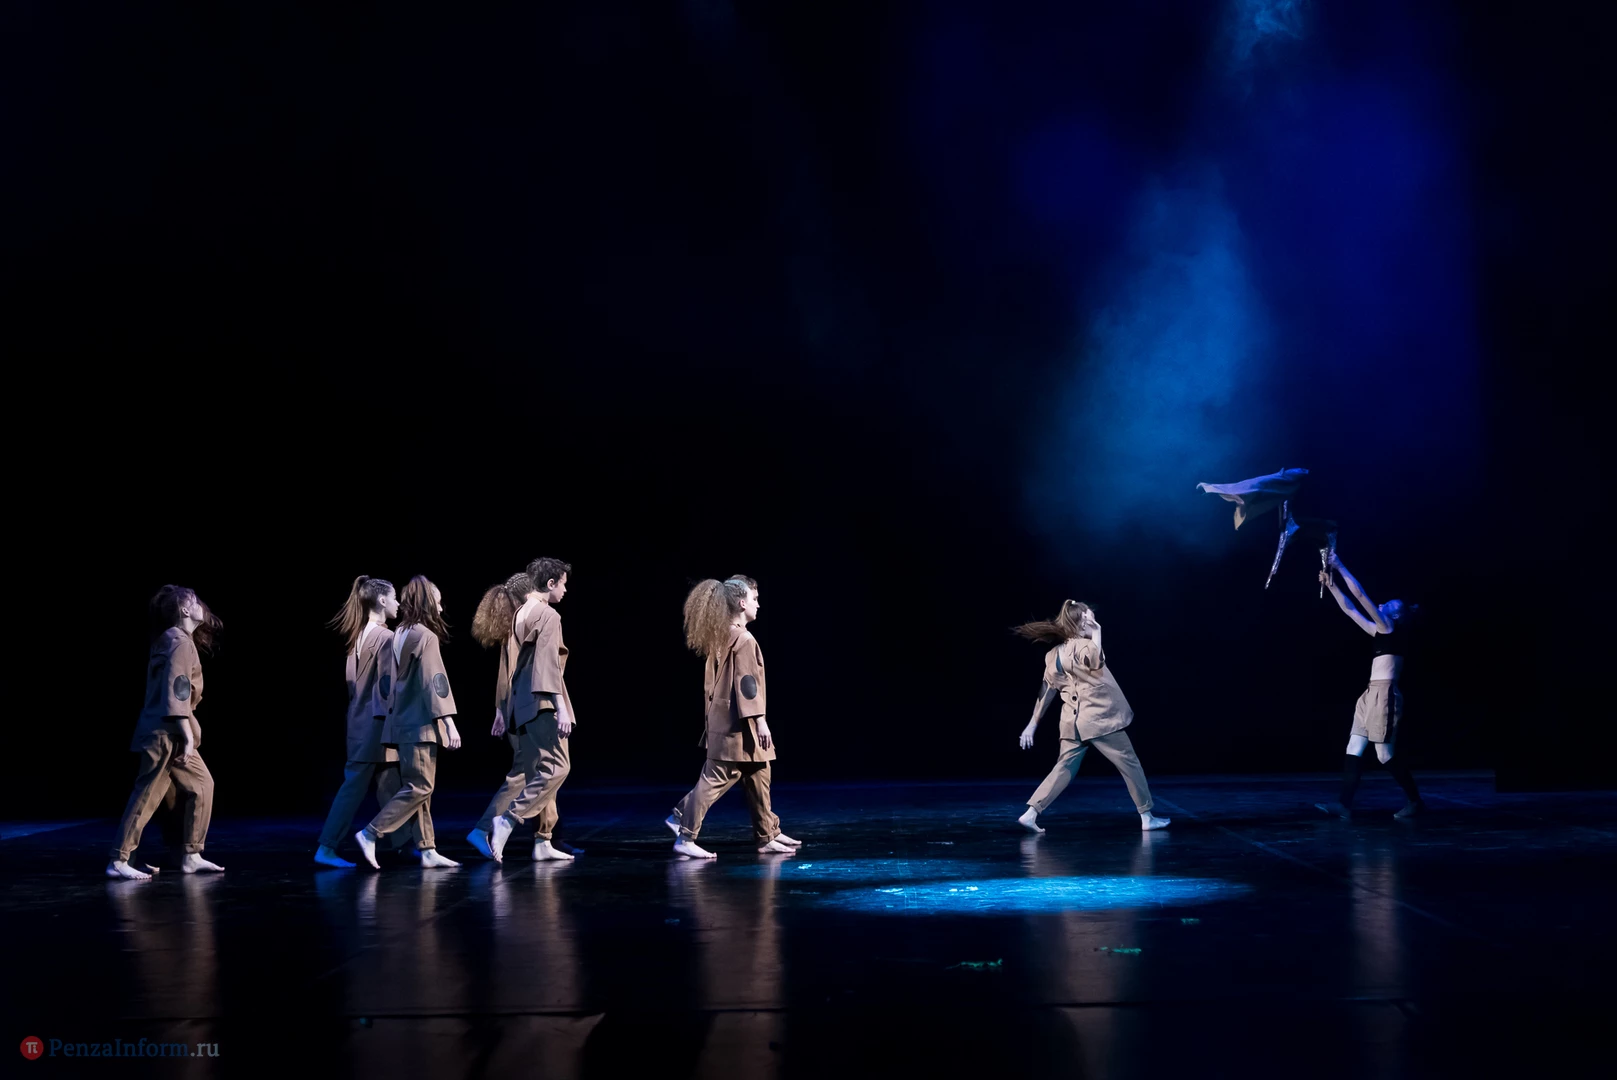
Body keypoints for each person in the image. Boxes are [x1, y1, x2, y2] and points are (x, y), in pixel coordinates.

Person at [665, 576, 801, 858]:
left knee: (759, 771)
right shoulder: (744, 639)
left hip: (727, 718)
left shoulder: (723, 635)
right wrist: (760, 721)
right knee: (716, 777)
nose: (758, 605)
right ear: (741, 603)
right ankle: (684, 831)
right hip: (737, 723)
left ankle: (767, 834)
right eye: (754, 599)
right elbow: (747, 683)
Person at [1014, 600, 1170, 834]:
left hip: (1071, 723)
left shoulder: (1053, 655)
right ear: (1082, 622)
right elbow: (1096, 661)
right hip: (1099, 720)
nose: (1095, 621)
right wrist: (1097, 632)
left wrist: (1031, 725)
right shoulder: (1085, 645)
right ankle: (1147, 816)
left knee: (1064, 767)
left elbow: (1046, 692)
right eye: (1091, 618)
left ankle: (1031, 813)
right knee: (1130, 763)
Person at [107, 586, 227, 880]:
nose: (201, 606)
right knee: (148, 794)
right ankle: (119, 859)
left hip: (167, 730)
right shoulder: (179, 642)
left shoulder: (172, 639)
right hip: (166, 733)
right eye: (195, 602)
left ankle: (189, 854)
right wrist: (186, 733)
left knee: (201, 785)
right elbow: (179, 687)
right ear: (184, 610)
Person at [356, 576, 463, 868]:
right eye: (437, 603)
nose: (440, 609)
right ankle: (371, 832)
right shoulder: (425, 636)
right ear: (427, 603)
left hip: (402, 722)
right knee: (421, 786)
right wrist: (449, 723)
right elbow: (435, 681)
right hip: (419, 724)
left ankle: (427, 849)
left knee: (419, 788)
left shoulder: (399, 632)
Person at [315, 575, 420, 868]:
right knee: (354, 787)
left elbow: (352, 684)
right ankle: (326, 846)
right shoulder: (385, 638)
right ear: (382, 601)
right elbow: (387, 686)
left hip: (360, 721)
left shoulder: (359, 635)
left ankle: (403, 844)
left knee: (390, 781)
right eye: (395, 598)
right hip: (375, 724)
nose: (398, 604)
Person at [1316, 552, 1425, 819]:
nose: (1383, 603)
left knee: (1384, 755)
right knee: (1353, 748)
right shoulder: (1380, 630)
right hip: (1369, 694)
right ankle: (1343, 805)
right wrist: (1331, 585)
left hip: (1385, 696)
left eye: (1389, 604)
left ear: (1396, 615)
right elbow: (1350, 609)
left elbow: (1361, 596)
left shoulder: (1389, 628)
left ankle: (1415, 801)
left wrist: (1339, 565)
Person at [489, 558, 579, 863]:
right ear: (550, 584)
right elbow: (547, 665)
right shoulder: (548, 614)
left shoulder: (520, 613)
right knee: (557, 768)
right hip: (542, 702)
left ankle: (543, 840)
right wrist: (560, 708)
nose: (565, 590)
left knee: (539, 771)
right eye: (563, 584)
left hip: (523, 702)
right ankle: (507, 819)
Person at [466, 570, 538, 860]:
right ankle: (484, 827)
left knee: (539, 772)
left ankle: (547, 837)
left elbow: (502, 674)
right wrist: (503, 711)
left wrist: (499, 711)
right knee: (524, 774)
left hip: (514, 709)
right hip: (522, 710)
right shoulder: (520, 624)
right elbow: (510, 675)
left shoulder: (515, 625)